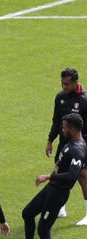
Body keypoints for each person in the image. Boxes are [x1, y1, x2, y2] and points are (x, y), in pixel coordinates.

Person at [9, 113, 87, 239]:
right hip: (52, 188)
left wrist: (49, 176)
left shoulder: (77, 149)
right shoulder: (71, 143)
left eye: (64, 127)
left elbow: (72, 175)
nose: (62, 129)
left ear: (72, 128)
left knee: (43, 228)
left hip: (58, 193)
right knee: (27, 213)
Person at [45, 68, 87, 223]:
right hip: (64, 144)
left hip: (81, 144)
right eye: (62, 83)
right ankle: (60, 208)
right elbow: (56, 121)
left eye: (67, 84)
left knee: (82, 176)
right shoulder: (60, 97)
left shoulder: (84, 99)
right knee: (59, 172)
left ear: (76, 82)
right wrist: (50, 141)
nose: (63, 86)